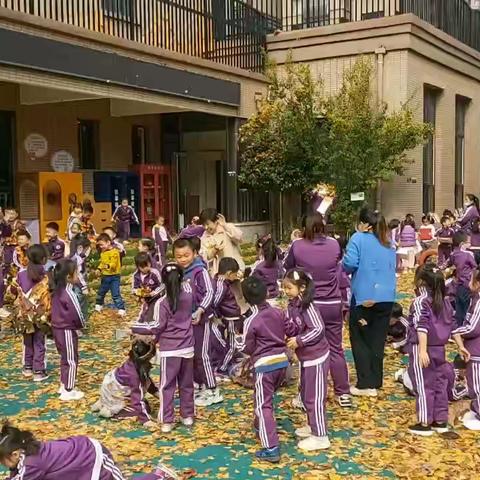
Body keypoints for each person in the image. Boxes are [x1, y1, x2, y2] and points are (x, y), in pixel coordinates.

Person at [284, 213, 351, 407]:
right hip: (332, 303)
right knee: (336, 348)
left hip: (309, 305)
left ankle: (306, 394)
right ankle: (343, 392)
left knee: (308, 350)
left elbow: (287, 267)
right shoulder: (334, 244)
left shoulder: (297, 245)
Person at [132, 263, 196, 433]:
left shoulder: (162, 302)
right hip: (188, 346)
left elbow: (157, 326)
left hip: (170, 350)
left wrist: (134, 327)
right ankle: (187, 415)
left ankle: (167, 420)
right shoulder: (188, 295)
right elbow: (188, 285)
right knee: (186, 383)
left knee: (167, 385)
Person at [0, 422, 179, 480]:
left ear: (15, 454)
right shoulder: (25, 452)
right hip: (79, 455)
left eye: (3, 461)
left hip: (92, 455)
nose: (3, 465)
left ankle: (159, 475)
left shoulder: (32, 463)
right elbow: (17, 473)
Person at [343, 207, 396, 397]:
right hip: (387, 295)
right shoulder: (388, 242)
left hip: (365, 296)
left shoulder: (358, 238)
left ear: (365, 224)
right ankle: (376, 379)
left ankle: (365, 384)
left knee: (360, 338)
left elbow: (349, 264)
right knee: (377, 338)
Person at [406, 264, 460, 436]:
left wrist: (422, 351)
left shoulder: (421, 302)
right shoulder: (445, 302)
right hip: (440, 349)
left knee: (423, 385)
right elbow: (453, 325)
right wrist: (461, 346)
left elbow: (422, 327)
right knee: (440, 384)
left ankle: (424, 422)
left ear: (421, 282)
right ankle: (440, 420)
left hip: (423, 348)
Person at [241, 276, 288, 463]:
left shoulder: (251, 319)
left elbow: (247, 346)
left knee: (263, 404)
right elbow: (287, 328)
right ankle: (260, 425)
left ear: (245, 298)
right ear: (266, 292)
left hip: (264, 365)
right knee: (263, 397)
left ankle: (271, 447)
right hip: (282, 362)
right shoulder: (277, 312)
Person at [284, 269, 330, 451]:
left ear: (301, 287)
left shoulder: (307, 306)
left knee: (315, 397)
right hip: (306, 357)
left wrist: (299, 340)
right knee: (305, 394)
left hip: (317, 356)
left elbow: (318, 329)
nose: (285, 291)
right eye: (284, 288)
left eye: (289, 287)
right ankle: (312, 426)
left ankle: (320, 436)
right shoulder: (293, 305)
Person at [173, 238, 222, 407]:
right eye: (179, 256)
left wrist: (201, 309)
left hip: (202, 320)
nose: (183, 259)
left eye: (186, 255)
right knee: (191, 356)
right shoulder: (178, 272)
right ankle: (200, 385)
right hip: (186, 321)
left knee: (203, 355)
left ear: (194, 253)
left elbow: (210, 292)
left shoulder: (199, 271)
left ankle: (213, 389)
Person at [92, 339, 158, 428]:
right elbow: (137, 398)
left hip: (114, 387)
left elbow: (146, 379)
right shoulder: (134, 375)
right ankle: (110, 407)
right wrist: (145, 420)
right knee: (143, 408)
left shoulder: (135, 363)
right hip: (114, 392)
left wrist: (155, 392)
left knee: (145, 405)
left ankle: (105, 402)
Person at [51, 258, 85, 401]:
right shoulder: (68, 293)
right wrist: (81, 325)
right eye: (76, 272)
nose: (78, 274)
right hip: (67, 329)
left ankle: (63, 383)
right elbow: (77, 313)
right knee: (71, 359)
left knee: (64, 357)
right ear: (68, 276)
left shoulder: (57, 291)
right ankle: (68, 389)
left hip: (57, 328)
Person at [16, 245, 50, 382]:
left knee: (27, 342)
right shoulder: (46, 275)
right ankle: (39, 370)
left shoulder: (21, 274)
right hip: (40, 314)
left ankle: (27, 367)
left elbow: (12, 292)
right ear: (43, 259)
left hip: (24, 313)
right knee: (39, 342)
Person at [452, 267, 480, 430]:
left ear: (477, 283)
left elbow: (473, 327)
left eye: (471, 279)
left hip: (476, 351)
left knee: (476, 384)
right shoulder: (474, 299)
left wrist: (456, 331)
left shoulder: (478, 302)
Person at [212, 257, 242, 376]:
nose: (235, 277)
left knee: (229, 342)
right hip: (230, 318)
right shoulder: (221, 285)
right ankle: (223, 367)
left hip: (229, 316)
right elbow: (215, 302)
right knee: (231, 345)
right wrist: (217, 316)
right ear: (229, 273)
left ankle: (223, 363)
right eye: (234, 275)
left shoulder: (220, 282)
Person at [442, 231, 476, 327]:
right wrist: (472, 281)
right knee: (467, 306)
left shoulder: (453, 254)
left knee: (459, 306)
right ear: (462, 244)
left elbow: (446, 264)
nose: (470, 244)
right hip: (468, 283)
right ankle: (466, 326)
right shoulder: (468, 254)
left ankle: (458, 326)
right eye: (468, 242)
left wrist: (438, 268)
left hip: (459, 284)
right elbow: (474, 268)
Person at [199, 208, 245, 274]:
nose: (206, 227)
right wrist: (213, 251)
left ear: (216, 221)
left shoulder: (227, 228)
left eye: (207, 224)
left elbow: (239, 237)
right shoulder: (204, 236)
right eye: (203, 225)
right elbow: (203, 255)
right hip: (217, 273)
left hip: (235, 270)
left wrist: (225, 225)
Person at [95, 233, 125, 316]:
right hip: (105, 275)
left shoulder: (114, 252)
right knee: (102, 291)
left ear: (108, 242)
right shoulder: (103, 253)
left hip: (114, 276)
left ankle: (121, 309)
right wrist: (99, 268)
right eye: (99, 245)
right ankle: (98, 304)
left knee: (115, 293)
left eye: (102, 244)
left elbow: (113, 264)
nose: (101, 247)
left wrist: (107, 266)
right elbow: (102, 263)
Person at [132, 252, 164, 324]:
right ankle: (140, 324)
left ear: (150, 263)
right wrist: (139, 293)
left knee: (152, 312)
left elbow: (162, 285)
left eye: (147, 265)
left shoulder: (154, 273)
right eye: (142, 267)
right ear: (138, 266)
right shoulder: (136, 275)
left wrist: (154, 292)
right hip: (144, 299)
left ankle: (150, 325)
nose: (145, 268)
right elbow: (134, 289)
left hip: (156, 298)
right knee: (144, 312)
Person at [250, 235, 282, 303]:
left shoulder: (259, 268)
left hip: (264, 298)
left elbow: (252, 282)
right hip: (277, 295)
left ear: (263, 252)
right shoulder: (279, 265)